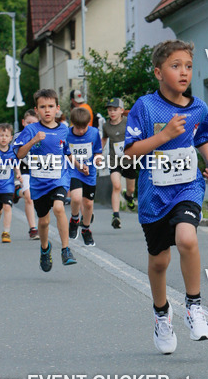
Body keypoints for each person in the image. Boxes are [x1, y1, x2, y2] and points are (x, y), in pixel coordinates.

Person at [124, 39, 208, 353]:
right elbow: (130, 152)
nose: (183, 72)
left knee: (187, 239)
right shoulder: (145, 107)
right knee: (160, 262)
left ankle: (194, 307)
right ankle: (162, 314)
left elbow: (202, 137)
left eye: (188, 66)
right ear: (158, 72)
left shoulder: (198, 107)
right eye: (175, 66)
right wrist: (163, 136)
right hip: (154, 194)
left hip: (188, 186)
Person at [16, 89, 79, 271]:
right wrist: (33, 140)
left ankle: (66, 250)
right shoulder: (31, 130)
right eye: (42, 107)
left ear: (57, 108)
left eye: (50, 106)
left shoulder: (64, 130)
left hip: (58, 178)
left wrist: (78, 164)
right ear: (36, 110)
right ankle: (45, 249)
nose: (47, 110)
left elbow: (66, 151)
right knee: (43, 222)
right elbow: (20, 154)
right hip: (39, 182)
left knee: (59, 208)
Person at [67, 107, 103, 247]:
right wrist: (77, 165)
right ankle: (74, 219)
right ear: (72, 124)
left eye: (84, 127)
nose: (81, 131)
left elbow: (97, 152)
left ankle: (86, 230)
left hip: (89, 172)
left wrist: (98, 160)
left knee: (88, 204)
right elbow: (66, 154)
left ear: (89, 123)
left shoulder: (94, 133)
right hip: (73, 170)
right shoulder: (67, 134)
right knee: (76, 197)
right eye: (78, 128)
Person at [101, 98, 129, 228]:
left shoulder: (128, 122)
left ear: (121, 111)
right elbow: (104, 139)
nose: (112, 112)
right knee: (116, 185)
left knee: (131, 189)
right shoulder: (106, 125)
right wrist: (98, 153)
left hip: (129, 159)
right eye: (109, 110)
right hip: (114, 160)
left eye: (115, 110)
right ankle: (116, 215)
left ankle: (128, 196)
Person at [0, 122, 21, 243]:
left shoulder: (12, 152)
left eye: (6, 135)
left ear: (10, 138)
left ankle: (6, 232)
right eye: (1, 135)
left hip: (8, 186)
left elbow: (15, 165)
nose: (3, 138)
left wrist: (18, 174)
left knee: (7, 207)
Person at [14, 109, 40, 239]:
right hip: (24, 168)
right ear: (23, 123)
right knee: (29, 197)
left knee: (39, 198)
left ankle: (17, 192)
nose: (30, 125)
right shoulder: (18, 136)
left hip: (40, 168)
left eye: (33, 123)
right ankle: (33, 228)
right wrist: (17, 173)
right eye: (28, 122)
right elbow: (15, 157)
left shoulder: (42, 135)